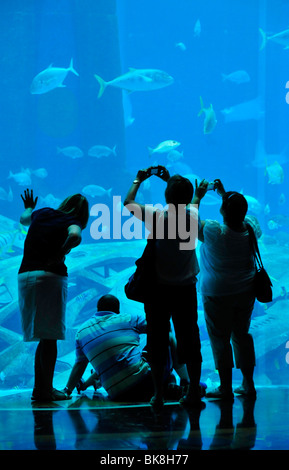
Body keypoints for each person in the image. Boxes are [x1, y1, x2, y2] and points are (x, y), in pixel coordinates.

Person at [124, 166, 208, 408]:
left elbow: (128, 202)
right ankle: (192, 390)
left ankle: (158, 394)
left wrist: (138, 178)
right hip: (185, 289)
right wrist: (192, 191)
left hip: (157, 290)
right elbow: (190, 200)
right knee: (190, 340)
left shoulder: (157, 216)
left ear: (166, 196)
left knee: (158, 342)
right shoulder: (192, 215)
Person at [18, 189, 89, 402]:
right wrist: (60, 253)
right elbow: (75, 235)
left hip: (25, 276)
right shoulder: (72, 220)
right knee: (50, 338)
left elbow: (23, 220)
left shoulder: (43, 212)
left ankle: (40, 389)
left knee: (43, 337)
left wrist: (29, 207)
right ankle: (46, 390)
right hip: (49, 278)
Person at [197, 179, 259, 400]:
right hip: (245, 292)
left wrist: (198, 196)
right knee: (242, 336)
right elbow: (237, 213)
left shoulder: (214, 231)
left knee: (219, 339)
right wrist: (226, 195)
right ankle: (248, 384)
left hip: (217, 294)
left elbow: (192, 224)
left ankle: (225, 387)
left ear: (222, 209)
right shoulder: (250, 228)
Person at [64, 294, 156, 401]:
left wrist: (67, 390)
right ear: (118, 310)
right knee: (165, 337)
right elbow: (159, 327)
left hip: (117, 394)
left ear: (97, 310)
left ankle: (87, 384)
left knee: (108, 359)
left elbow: (80, 364)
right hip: (145, 383)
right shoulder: (129, 319)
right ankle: (177, 379)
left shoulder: (81, 331)